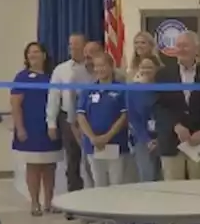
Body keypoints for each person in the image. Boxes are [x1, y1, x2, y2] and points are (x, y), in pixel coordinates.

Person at [154, 31, 200, 180]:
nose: (181, 49)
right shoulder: (163, 75)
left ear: (196, 49)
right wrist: (175, 125)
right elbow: (158, 106)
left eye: (185, 45)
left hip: (199, 144)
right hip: (172, 142)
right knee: (173, 192)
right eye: (179, 45)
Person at [11, 42, 62, 216]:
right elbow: (15, 105)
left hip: (49, 126)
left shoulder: (52, 76)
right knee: (33, 166)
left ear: (44, 55)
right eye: (30, 53)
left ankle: (49, 202)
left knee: (49, 166)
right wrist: (20, 128)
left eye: (36, 52)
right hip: (30, 127)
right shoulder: (22, 77)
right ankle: (34, 203)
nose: (33, 55)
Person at [76, 52, 129, 187]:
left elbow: (124, 116)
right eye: (97, 66)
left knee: (116, 183)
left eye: (103, 65)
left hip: (116, 144)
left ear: (111, 67)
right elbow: (81, 116)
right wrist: (93, 137)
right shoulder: (87, 91)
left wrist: (107, 136)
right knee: (98, 183)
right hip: (93, 145)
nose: (100, 69)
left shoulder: (122, 89)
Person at [47, 33, 91, 192]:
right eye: (70, 45)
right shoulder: (61, 70)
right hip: (69, 118)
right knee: (72, 161)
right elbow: (54, 96)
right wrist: (51, 123)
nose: (73, 48)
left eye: (76, 45)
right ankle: (74, 200)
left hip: (91, 117)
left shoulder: (93, 68)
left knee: (91, 161)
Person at [127, 54, 163, 182]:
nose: (146, 70)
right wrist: (147, 140)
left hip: (164, 139)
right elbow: (133, 117)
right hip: (142, 140)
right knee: (146, 176)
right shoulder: (132, 90)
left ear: (157, 69)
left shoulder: (164, 88)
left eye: (149, 67)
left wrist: (159, 139)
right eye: (143, 67)